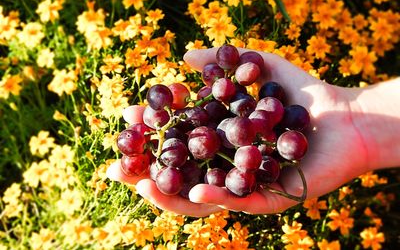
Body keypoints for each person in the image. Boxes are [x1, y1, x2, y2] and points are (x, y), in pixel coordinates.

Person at [106, 47, 400, 217]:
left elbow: (235, 127)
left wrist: (353, 122)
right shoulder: (193, 134)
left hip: (244, 140)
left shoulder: (247, 131)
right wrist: (354, 122)